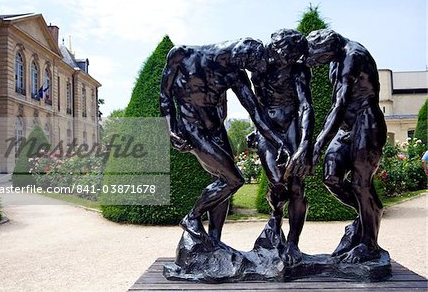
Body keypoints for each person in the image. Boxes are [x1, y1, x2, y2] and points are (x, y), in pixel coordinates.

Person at [159, 38, 289, 242]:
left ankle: (215, 240)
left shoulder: (235, 73)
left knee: (222, 181)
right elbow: (164, 94)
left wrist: (278, 141)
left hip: (216, 129)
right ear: (239, 56)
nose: (244, 71)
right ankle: (192, 217)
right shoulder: (182, 55)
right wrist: (170, 129)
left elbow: (255, 111)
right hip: (192, 127)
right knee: (233, 179)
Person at [306, 29, 387, 263]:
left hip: (366, 122)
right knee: (330, 177)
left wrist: (318, 144)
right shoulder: (335, 58)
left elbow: (339, 104)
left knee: (361, 185)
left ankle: (368, 243)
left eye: (316, 59)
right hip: (346, 128)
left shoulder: (353, 55)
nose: (316, 64)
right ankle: (367, 214)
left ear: (326, 49)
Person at [249, 29, 314, 265]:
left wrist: (305, 143)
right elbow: (255, 103)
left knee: (297, 186)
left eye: (289, 54)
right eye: (282, 52)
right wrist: (256, 128)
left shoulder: (298, 71)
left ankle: (293, 243)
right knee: (276, 180)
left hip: (291, 127)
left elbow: (305, 106)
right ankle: (276, 214)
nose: (284, 58)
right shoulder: (259, 68)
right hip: (267, 127)